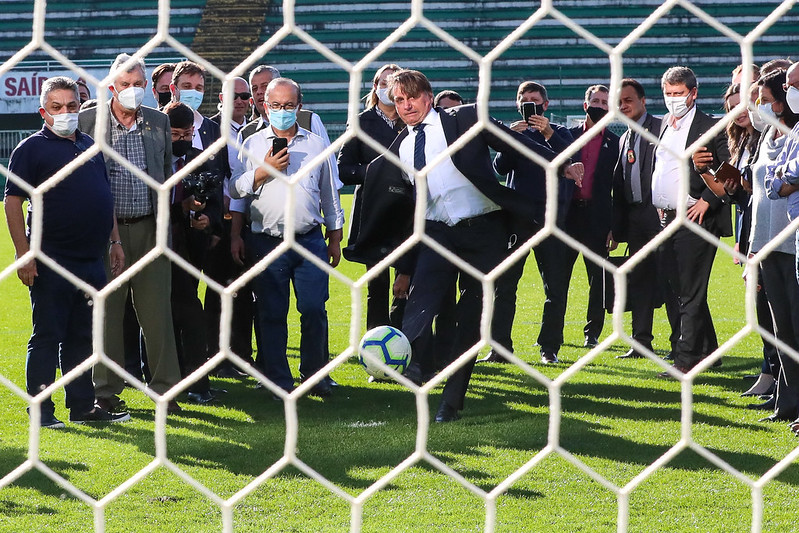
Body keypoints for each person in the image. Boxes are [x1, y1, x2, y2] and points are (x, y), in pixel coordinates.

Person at [348, 69, 583, 421]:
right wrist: (399, 262)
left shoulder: (465, 117)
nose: (407, 104)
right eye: (399, 100)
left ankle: (451, 402)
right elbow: (394, 201)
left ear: (428, 97)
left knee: (471, 319)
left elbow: (513, 143)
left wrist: (560, 163)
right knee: (420, 301)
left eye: (413, 96)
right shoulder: (401, 147)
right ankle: (408, 364)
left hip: (483, 232)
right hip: (437, 234)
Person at [4, 76, 130, 426]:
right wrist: (24, 253)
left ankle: (83, 407)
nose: (65, 113)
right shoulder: (29, 149)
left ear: (80, 106)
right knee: (47, 336)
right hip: (50, 260)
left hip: (91, 260)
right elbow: (12, 202)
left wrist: (115, 241)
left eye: (72, 106)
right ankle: (41, 411)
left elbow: (105, 198)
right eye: (57, 108)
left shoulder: (90, 144)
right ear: (43, 111)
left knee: (82, 338)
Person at [78, 53, 182, 412]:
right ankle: (105, 391)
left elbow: (165, 172)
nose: (133, 91)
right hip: (105, 233)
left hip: (151, 227)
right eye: (126, 85)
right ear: (111, 87)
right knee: (106, 313)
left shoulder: (157, 121)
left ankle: (165, 390)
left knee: (157, 315)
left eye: (139, 85)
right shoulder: (87, 120)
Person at [230, 77, 344, 398]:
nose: (282, 111)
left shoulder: (316, 145)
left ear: (300, 105)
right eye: (276, 106)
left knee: (313, 309)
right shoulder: (250, 143)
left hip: (308, 239)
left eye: (288, 106)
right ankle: (278, 379)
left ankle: (315, 375)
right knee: (270, 312)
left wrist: (334, 237)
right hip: (265, 241)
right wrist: (262, 171)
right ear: (265, 106)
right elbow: (235, 192)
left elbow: (330, 194)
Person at [483, 80, 576, 364]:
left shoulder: (560, 133)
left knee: (555, 288)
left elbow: (571, 161)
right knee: (505, 286)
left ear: (546, 105)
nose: (530, 107)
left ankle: (550, 349)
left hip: (550, 219)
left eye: (535, 102)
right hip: (516, 219)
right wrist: (508, 141)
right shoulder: (513, 133)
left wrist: (547, 132)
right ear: (517, 105)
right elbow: (499, 169)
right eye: (525, 102)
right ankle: (500, 349)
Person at [651, 66, 732, 377]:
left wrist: (708, 200)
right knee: (678, 289)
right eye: (669, 94)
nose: (674, 100)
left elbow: (729, 170)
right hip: (666, 219)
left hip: (696, 219)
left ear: (693, 93)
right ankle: (709, 353)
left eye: (679, 94)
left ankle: (684, 361)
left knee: (690, 291)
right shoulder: (663, 127)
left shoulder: (711, 126)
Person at [611, 78, 678, 359]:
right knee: (639, 280)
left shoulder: (662, 127)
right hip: (636, 217)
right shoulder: (625, 136)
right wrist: (618, 226)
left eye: (628, 100)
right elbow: (622, 182)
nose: (622, 106)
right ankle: (640, 342)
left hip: (660, 215)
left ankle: (681, 345)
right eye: (619, 102)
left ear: (643, 101)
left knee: (671, 280)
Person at [164, 101, 224, 404]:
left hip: (191, 249)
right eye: (175, 134)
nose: (182, 140)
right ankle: (194, 382)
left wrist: (206, 220)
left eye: (187, 133)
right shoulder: (155, 161)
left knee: (185, 312)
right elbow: (146, 202)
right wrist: (181, 208)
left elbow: (214, 203)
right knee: (186, 314)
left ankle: (191, 380)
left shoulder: (199, 159)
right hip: (160, 248)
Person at [338, 63, 405, 330]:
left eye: (394, 82)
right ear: (375, 87)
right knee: (376, 286)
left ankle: (405, 345)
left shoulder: (412, 118)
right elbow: (343, 170)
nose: (388, 87)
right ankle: (376, 350)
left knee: (407, 281)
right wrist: (374, 172)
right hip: (374, 212)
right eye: (383, 82)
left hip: (407, 212)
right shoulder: (360, 121)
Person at [565, 85, 619, 349]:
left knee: (597, 280)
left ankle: (592, 332)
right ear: (585, 105)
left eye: (605, 102)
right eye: (595, 101)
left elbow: (619, 189)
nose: (599, 106)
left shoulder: (615, 144)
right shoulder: (566, 135)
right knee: (558, 278)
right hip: (566, 216)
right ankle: (553, 334)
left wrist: (614, 227)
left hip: (597, 218)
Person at [206, 76, 254, 378]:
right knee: (218, 291)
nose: (239, 100)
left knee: (246, 293)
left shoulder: (257, 129)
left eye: (244, 95)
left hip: (250, 221)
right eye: (232, 95)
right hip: (220, 222)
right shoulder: (212, 130)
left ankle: (242, 355)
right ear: (221, 100)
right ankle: (216, 356)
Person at [763, 62, 799, 427]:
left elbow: (786, 181)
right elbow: (775, 184)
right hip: (774, 240)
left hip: (791, 241)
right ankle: (788, 402)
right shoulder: (784, 133)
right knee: (783, 329)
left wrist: (784, 181)